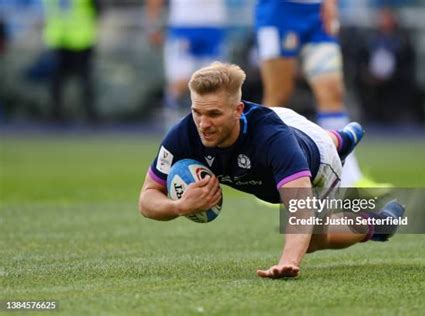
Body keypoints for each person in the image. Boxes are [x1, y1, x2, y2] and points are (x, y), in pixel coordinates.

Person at [138, 62, 405, 279]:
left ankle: (380, 223)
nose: (203, 124)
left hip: (317, 163)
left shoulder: (271, 139)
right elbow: (147, 197)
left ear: (237, 110)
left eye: (214, 115)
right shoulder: (184, 133)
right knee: (296, 147)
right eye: (197, 112)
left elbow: (300, 209)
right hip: (287, 127)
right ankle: (340, 139)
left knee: (312, 238)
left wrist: (288, 262)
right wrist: (180, 207)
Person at [254, 0, 379, 187]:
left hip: (317, 12)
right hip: (279, 11)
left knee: (332, 91)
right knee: (278, 95)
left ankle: (349, 179)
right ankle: (264, 176)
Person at [146, 0, 227, 131]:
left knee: (216, 83)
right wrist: (153, 26)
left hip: (212, 26)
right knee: (180, 81)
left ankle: (213, 131)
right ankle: (173, 128)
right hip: (184, 25)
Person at [42, 0, 102, 123]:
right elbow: (98, 9)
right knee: (73, 79)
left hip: (69, 37)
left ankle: (60, 114)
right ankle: (87, 115)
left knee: (64, 79)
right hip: (75, 37)